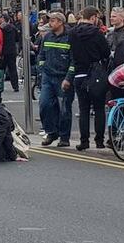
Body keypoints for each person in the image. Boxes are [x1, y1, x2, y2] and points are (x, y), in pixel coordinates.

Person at [70, 7, 110, 151]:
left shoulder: (73, 33)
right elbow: (105, 52)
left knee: (83, 109)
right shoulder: (97, 33)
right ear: (93, 18)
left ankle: (84, 141)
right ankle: (99, 141)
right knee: (99, 108)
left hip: (79, 74)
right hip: (95, 74)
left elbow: (71, 51)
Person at [37, 12, 74, 147]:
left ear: (60, 22)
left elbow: (73, 60)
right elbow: (41, 55)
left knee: (64, 108)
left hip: (63, 78)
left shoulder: (70, 38)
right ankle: (51, 132)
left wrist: (68, 78)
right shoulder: (47, 36)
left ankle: (64, 137)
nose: (50, 23)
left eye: (53, 21)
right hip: (48, 76)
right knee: (44, 104)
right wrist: (41, 70)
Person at [0, 14, 19, 92]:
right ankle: (15, 86)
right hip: (12, 51)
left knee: (1, 69)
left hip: (3, 51)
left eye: (1, 18)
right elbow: (17, 39)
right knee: (13, 69)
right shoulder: (13, 28)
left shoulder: (1, 29)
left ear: (4, 19)